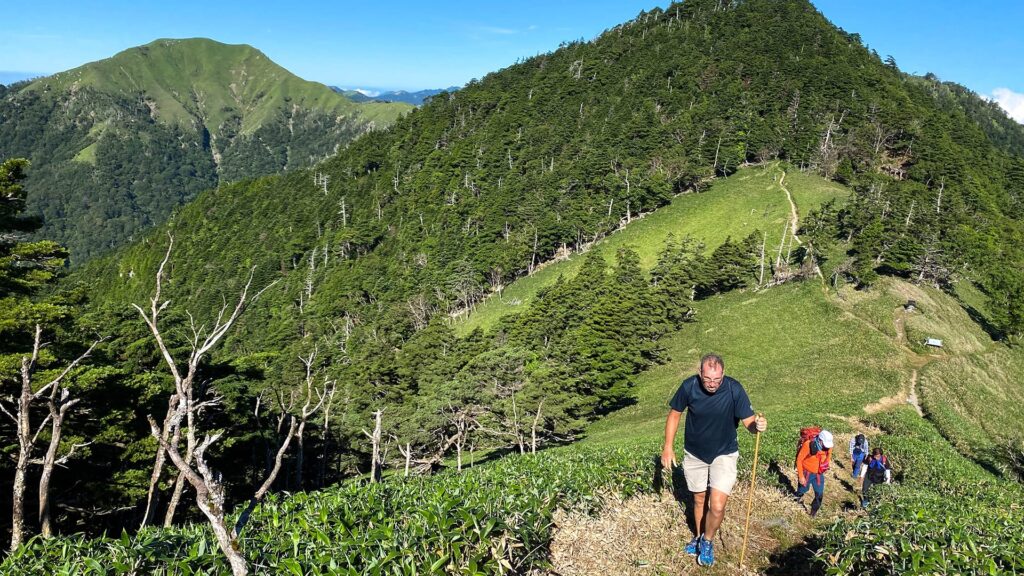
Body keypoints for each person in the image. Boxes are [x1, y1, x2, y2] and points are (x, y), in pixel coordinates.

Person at [661, 353, 767, 568]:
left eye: (716, 380)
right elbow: (674, 414)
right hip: (695, 452)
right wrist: (668, 447)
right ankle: (699, 537)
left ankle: (708, 541)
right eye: (708, 379)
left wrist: (757, 427)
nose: (712, 384)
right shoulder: (689, 386)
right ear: (700, 373)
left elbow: (748, 422)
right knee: (699, 499)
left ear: (723, 374)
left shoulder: (734, 389)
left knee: (717, 505)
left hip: (724, 453)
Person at [794, 429, 833, 517]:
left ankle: (812, 514)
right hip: (806, 472)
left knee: (819, 494)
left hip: (818, 473)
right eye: (825, 444)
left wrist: (826, 464)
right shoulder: (808, 444)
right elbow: (799, 460)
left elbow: (829, 454)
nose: (827, 447)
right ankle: (795, 499)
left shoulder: (829, 446)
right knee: (802, 490)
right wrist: (801, 476)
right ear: (820, 440)